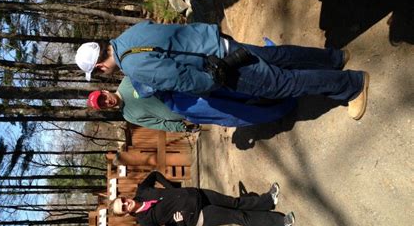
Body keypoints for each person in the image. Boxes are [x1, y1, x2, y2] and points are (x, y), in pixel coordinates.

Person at [75, 21, 369, 120]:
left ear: (100, 66)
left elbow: (180, 78)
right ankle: (333, 58)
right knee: (278, 56)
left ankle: (351, 85)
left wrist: (212, 84)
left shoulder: (132, 65)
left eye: (99, 72)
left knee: (282, 83)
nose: (104, 74)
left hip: (219, 66)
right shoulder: (130, 34)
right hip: (217, 42)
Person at [109, 171, 295, 226]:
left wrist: (171, 188)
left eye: (123, 200)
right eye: (123, 208)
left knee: (235, 202)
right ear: (125, 214)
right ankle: (281, 222)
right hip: (199, 216)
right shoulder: (146, 222)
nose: (126, 204)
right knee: (238, 217)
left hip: (198, 195)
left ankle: (268, 200)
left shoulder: (142, 191)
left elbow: (155, 174)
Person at [87, 76, 296, 132]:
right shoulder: (128, 116)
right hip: (187, 112)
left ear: (105, 91)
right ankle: (281, 110)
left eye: (102, 97)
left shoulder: (128, 80)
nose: (106, 101)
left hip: (187, 91)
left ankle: (278, 88)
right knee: (234, 116)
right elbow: (156, 123)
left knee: (236, 93)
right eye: (102, 104)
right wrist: (180, 127)